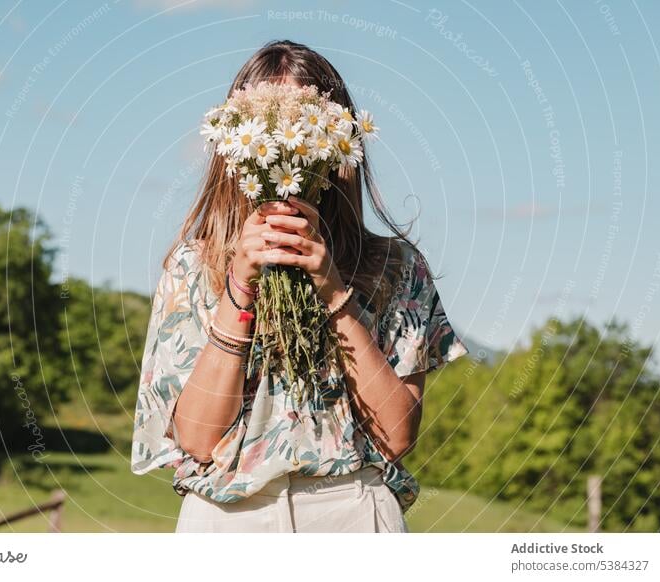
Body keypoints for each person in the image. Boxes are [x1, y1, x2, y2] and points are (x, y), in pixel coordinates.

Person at [131, 39, 469, 533]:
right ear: (233, 145)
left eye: (307, 125)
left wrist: (333, 291)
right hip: (226, 520)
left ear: (338, 146)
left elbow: (396, 436)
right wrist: (239, 287)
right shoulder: (192, 267)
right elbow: (197, 440)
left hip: (353, 510)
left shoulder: (395, 267)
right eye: (268, 124)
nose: (289, 138)